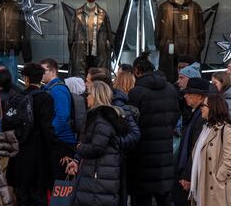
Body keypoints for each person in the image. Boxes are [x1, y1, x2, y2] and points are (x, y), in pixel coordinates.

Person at [128, 54, 179, 206]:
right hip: (165, 152)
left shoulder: (136, 92)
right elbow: (175, 115)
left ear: (137, 71)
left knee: (143, 198)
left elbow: (132, 123)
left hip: (143, 153)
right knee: (164, 197)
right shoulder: (170, 88)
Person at [85, 67, 140, 206]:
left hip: (114, 164)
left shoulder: (119, 107)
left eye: (88, 84)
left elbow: (135, 134)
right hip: (101, 167)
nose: (86, 89)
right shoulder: (92, 111)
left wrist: (115, 143)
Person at [5, 63, 57, 206]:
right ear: (40, 78)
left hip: (20, 154)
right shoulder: (46, 98)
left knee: (22, 196)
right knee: (38, 197)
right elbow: (47, 129)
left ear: (26, 79)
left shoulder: (17, 98)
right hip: (39, 156)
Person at [66, 81, 121, 206]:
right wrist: (76, 160)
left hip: (98, 172)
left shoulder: (101, 118)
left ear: (96, 95)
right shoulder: (98, 117)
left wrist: (80, 148)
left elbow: (97, 147)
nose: (87, 96)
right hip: (97, 171)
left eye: (89, 93)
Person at [189, 94, 231, 206]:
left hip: (217, 189)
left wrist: (219, 177)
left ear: (213, 108)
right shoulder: (205, 129)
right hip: (203, 185)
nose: (201, 108)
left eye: (204, 105)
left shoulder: (227, 130)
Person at [172, 77, 211, 206]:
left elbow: (196, 148)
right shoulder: (195, 114)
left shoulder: (201, 117)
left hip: (190, 174)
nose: (185, 96)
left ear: (200, 97)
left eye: (189, 93)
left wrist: (187, 176)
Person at [40, 58, 77, 180]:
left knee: (60, 180)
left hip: (63, 141)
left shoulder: (58, 89)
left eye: (43, 71)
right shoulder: (49, 89)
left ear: (53, 71)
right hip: (59, 140)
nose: (41, 74)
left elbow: (62, 116)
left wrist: (49, 134)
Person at [211, 71, 231, 139]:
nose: (213, 86)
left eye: (215, 83)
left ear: (223, 83)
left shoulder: (228, 101)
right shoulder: (230, 98)